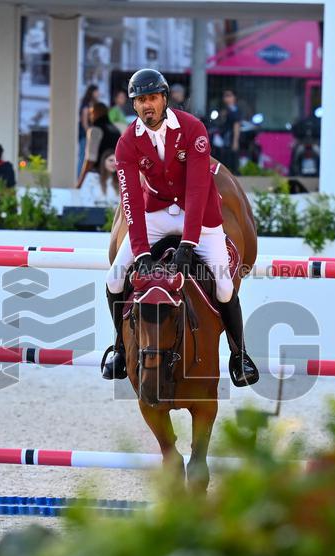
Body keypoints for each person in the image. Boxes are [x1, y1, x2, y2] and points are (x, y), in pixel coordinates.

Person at [102, 68, 259, 387]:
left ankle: (239, 354)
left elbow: (200, 189)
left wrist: (188, 245)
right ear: (134, 105)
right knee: (114, 280)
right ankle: (119, 347)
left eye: (153, 98)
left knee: (225, 286)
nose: (147, 105)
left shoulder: (192, 129)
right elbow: (131, 199)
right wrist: (142, 251)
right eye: (140, 100)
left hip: (200, 217)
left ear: (165, 99)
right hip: (156, 214)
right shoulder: (126, 143)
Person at [76, 102, 121, 189]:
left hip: (98, 178)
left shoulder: (95, 129)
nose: (90, 116)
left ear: (96, 113)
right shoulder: (116, 130)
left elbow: (90, 159)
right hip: (115, 178)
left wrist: (80, 183)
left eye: (91, 113)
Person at [215, 89, 241, 174]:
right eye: (225, 96)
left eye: (229, 96)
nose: (226, 98)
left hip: (230, 136)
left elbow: (236, 125)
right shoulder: (224, 109)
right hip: (224, 135)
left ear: (234, 97)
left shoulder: (235, 110)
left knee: (231, 154)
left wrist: (235, 141)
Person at [77, 85, 100, 177]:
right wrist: (89, 134)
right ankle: (79, 177)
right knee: (83, 157)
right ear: (92, 92)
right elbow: (85, 123)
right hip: (85, 135)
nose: (98, 94)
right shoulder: (86, 106)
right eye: (96, 91)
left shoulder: (92, 104)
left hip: (89, 135)